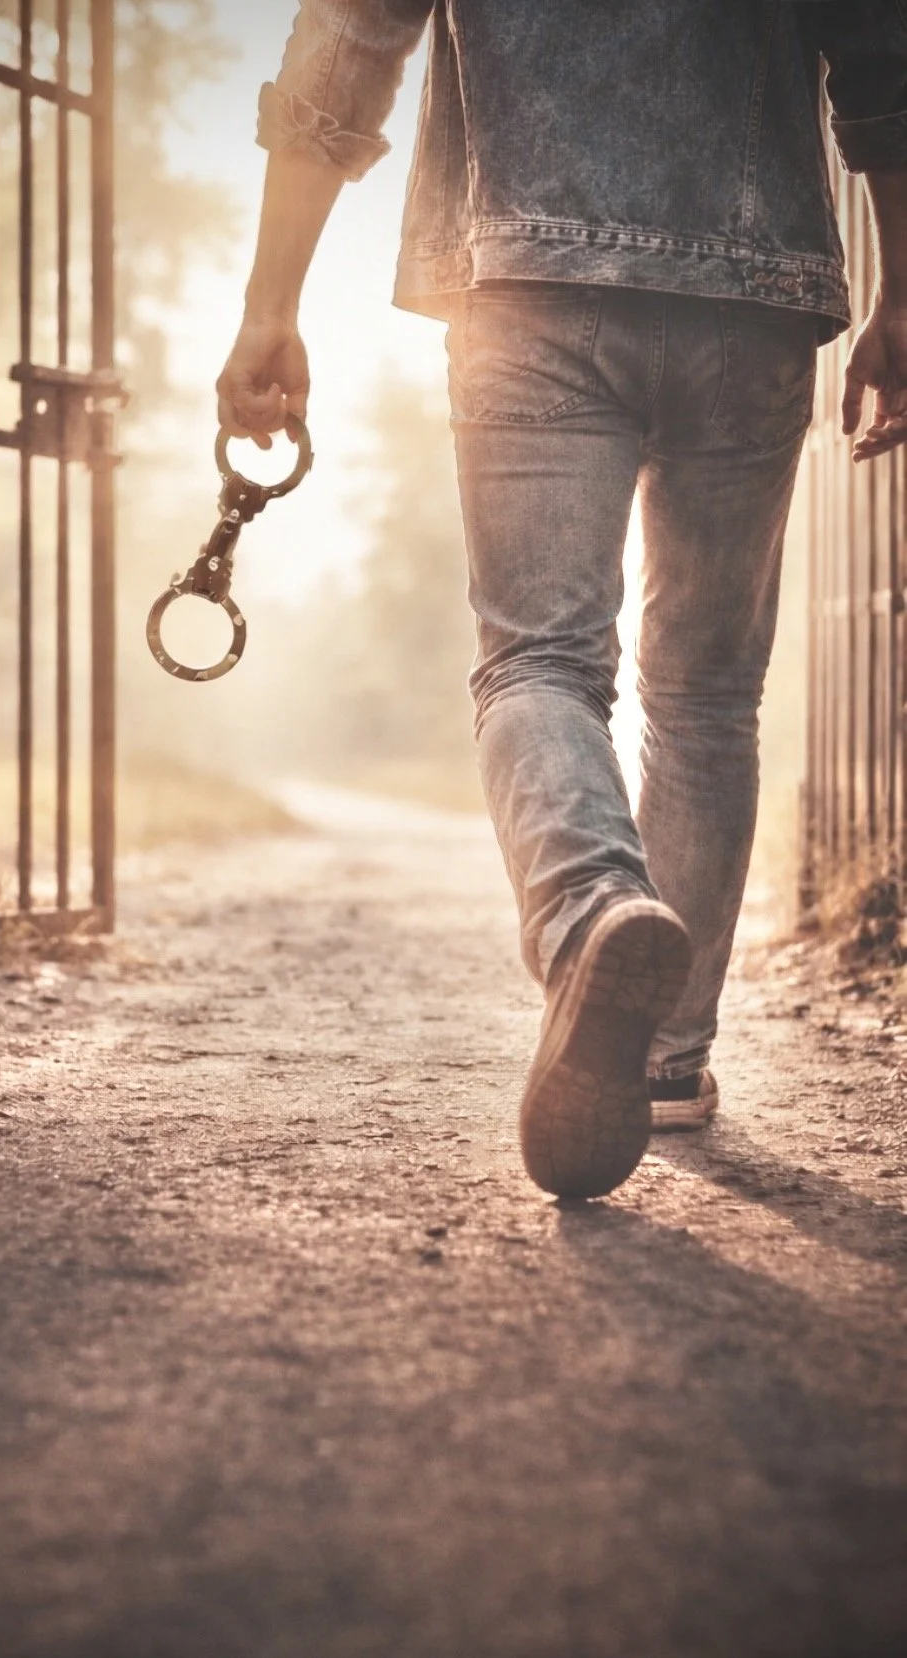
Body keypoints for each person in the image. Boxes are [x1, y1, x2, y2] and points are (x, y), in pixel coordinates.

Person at [216, 2, 907, 1200]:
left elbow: (346, 45)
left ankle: (591, 911)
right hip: (757, 289)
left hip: (525, 281)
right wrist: (904, 284)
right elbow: (884, 50)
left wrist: (272, 302)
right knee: (706, 691)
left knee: (537, 665)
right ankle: (667, 1063)